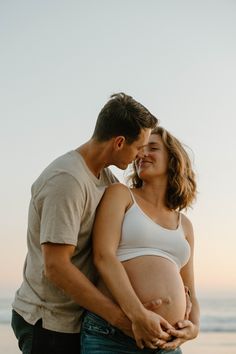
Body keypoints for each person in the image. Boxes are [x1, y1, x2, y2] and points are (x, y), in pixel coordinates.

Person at [11, 92, 159, 354]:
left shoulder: (107, 180)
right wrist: (123, 319)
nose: (138, 156)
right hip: (51, 324)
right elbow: (56, 267)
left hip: (79, 321)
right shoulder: (67, 180)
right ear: (119, 142)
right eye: (138, 147)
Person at [81, 126, 200, 353]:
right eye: (140, 149)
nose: (141, 154)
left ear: (173, 159)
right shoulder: (121, 195)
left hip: (168, 342)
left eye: (152, 148)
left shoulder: (184, 225)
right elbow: (103, 257)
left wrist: (193, 328)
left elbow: (191, 291)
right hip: (112, 337)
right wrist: (139, 315)